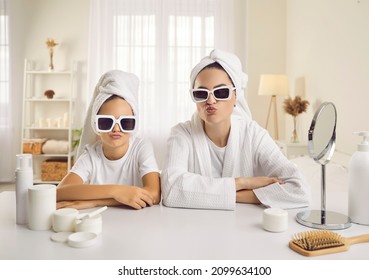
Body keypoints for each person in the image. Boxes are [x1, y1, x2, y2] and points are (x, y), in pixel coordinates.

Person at [161, 49, 310, 210]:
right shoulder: (181, 134)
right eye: (201, 93)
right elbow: (171, 189)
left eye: (221, 92)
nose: (210, 100)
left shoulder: (254, 135)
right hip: (193, 227)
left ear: (236, 96)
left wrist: (230, 195)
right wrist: (244, 183)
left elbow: (299, 190)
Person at [57, 70, 160, 210]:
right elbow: (60, 192)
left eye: (125, 122)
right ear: (95, 125)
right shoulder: (92, 155)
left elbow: (154, 194)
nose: (116, 129)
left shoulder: (141, 147)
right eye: (106, 122)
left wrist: (95, 202)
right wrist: (117, 192)